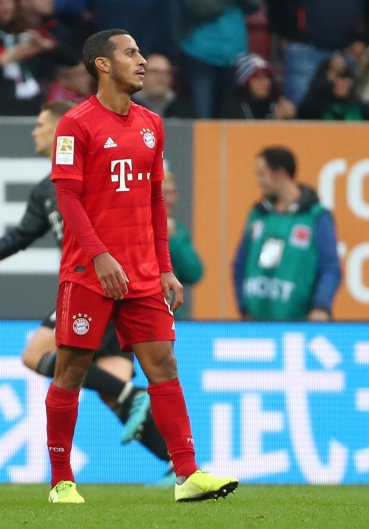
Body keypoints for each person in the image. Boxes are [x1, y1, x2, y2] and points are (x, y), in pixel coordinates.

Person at [42, 28, 237, 503]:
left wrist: (165, 266)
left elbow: (154, 200)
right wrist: (100, 255)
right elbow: (66, 197)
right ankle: (62, 481)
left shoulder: (152, 122)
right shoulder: (76, 124)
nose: (142, 60)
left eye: (141, 52)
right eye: (131, 53)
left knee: (163, 366)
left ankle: (187, 475)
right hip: (89, 273)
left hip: (143, 273)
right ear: (103, 65)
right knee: (70, 370)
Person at [0, 100, 174, 476]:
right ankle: (176, 465)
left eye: (39, 124)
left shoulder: (98, 173)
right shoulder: (46, 189)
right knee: (112, 392)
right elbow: (22, 234)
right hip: (95, 285)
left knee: (35, 355)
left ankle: (137, 401)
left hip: (103, 285)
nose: (34, 131)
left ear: (60, 128)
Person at [232, 146, 342, 322]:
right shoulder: (258, 215)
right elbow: (239, 264)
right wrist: (244, 308)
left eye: (261, 174)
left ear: (279, 173)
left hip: (301, 324)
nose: (257, 181)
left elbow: (330, 268)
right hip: (258, 322)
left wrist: (320, 307)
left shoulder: (316, 216)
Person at [161, 170, 203, 319]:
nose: (169, 199)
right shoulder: (136, 229)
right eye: (164, 193)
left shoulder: (177, 231)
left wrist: (173, 239)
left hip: (174, 315)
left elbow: (195, 272)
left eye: (172, 193)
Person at [220, 53, 296, 120]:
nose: (266, 82)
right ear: (245, 83)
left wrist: (286, 119)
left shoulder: (277, 101)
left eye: (267, 77)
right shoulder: (233, 106)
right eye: (258, 78)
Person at [298, 54, 369, 120]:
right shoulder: (315, 105)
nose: (344, 82)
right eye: (340, 77)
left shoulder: (358, 106)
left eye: (347, 78)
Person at [132, 53, 196, 118]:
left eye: (166, 72)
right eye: (154, 72)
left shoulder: (185, 111)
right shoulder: (125, 107)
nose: (161, 77)